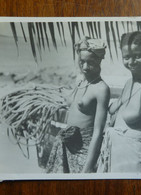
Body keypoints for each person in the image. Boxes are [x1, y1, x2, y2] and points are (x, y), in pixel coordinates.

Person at [97, 31, 141, 173]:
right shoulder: (129, 83)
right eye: (127, 57)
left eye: (137, 56)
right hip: (114, 155)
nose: (131, 62)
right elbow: (113, 109)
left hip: (134, 158)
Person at [45, 37, 110, 173]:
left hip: (83, 150)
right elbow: (74, 103)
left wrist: (88, 167)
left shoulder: (101, 89)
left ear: (99, 60)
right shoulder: (80, 81)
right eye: (82, 62)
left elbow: (98, 132)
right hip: (66, 144)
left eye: (90, 62)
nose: (85, 67)